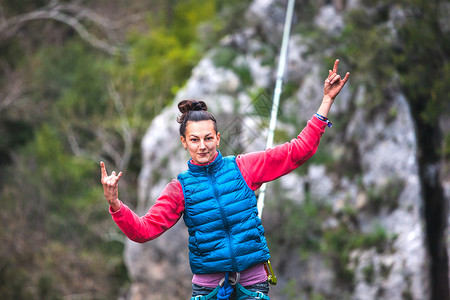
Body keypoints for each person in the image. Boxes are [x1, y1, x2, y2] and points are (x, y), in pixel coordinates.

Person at [101, 59, 349, 299]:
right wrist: (116, 205)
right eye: (195, 140)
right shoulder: (180, 189)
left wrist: (326, 100)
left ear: (218, 138)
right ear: (184, 142)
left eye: (208, 138)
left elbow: (298, 151)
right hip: (209, 289)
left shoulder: (244, 168)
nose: (202, 146)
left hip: (252, 283)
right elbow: (144, 231)